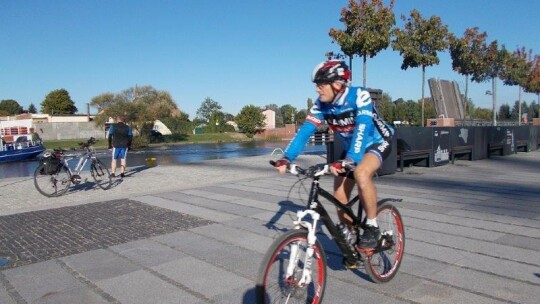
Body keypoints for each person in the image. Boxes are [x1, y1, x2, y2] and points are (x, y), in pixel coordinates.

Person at [274, 60, 394, 253]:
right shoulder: (322, 105)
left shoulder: (359, 96)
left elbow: (362, 126)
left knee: (362, 174)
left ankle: (372, 226)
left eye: (321, 85)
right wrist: (287, 157)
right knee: (339, 194)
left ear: (337, 84)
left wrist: (351, 158)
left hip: (377, 141)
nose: (317, 90)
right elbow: (305, 131)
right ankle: (352, 234)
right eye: (316, 86)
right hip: (352, 149)